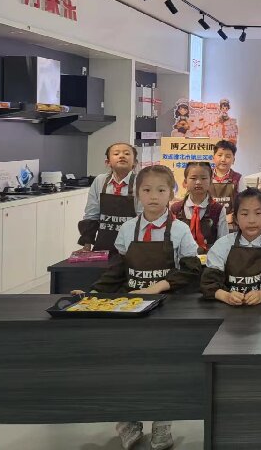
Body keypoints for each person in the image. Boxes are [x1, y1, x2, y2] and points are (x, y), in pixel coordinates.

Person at [78, 165, 201, 450]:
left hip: (167, 309)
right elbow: (118, 271)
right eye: (147, 190)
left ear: (172, 193)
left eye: (161, 190)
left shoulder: (180, 230)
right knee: (127, 366)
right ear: (137, 194)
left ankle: (163, 423)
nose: (154, 196)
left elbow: (191, 270)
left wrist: (158, 287)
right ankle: (128, 420)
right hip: (131, 309)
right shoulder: (127, 229)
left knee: (165, 369)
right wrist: (92, 293)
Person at [201, 188, 261, 305]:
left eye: (258, 213)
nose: (251, 220)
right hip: (228, 310)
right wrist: (226, 296)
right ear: (235, 218)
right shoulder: (222, 246)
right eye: (244, 214)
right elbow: (208, 283)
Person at [77, 142, 140, 254]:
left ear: (135, 162)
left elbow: (143, 217)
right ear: (108, 162)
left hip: (132, 246)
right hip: (104, 246)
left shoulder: (141, 183)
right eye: (116, 154)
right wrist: (87, 245)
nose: (122, 156)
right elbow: (91, 215)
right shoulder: (99, 181)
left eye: (127, 153)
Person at [170, 161, 228, 253]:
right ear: (185, 182)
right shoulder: (175, 209)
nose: (198, 182)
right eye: (193, 178)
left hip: (210, 259)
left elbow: (223, 243)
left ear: (210, 181)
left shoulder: (218, 210)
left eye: (203, 178)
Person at [210, 139, 246, 227]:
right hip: (209, 223)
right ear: (213, 158)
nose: (223, 159)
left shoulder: (238, 178)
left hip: (231, 224)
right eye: (220, 155)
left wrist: (233, 216)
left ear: (233, 160)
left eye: (228, 156)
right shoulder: (206, 176)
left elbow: (244, 203)